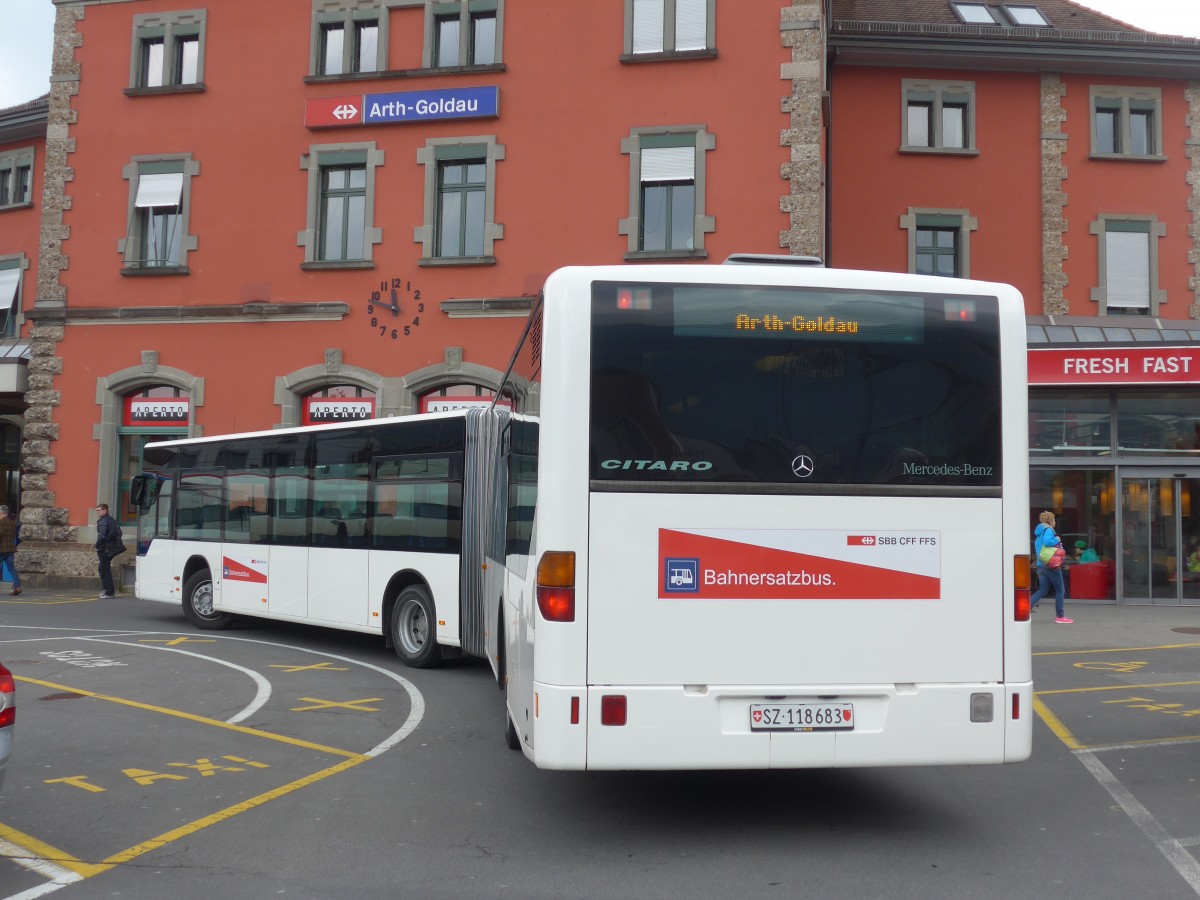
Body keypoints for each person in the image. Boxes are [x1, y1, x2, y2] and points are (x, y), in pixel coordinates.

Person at [1030, 510, 1072, 623]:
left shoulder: (1039, 532)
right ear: (1050, 521)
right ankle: (1060, 616)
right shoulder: (1048, 530)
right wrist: (1057, 539)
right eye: (1053, 520)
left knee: (1042, 590)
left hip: (1041, 564)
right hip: (1050, 564)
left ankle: (1025, 609)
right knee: (1060, 590)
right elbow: (1048, 542)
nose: (1055, 522)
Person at [95, 503, 120, 599]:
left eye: (99, 510)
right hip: (110, 547)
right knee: (103, 568)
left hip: (104, 547)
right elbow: (118, 533)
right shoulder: (111, 520)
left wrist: (98, 545)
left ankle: (108, 592)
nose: (97, 512)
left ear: (105, 510)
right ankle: (107, 590)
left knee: (104, 569)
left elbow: (102, 535)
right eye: (96, 510)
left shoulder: (104, 521)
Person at [0, 505, 21, 596]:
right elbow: (13, 536)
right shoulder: (12, 522)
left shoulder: (0, 522)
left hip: (1, 549)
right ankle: (17, 587)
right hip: (10, 549)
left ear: (0, 513)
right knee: (11, 568)